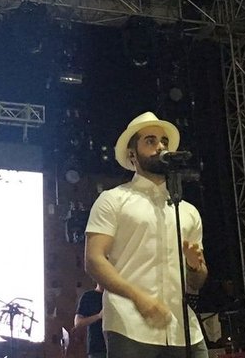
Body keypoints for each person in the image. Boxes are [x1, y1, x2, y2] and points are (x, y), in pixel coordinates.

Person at [85, 111, 209, 358]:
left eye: (164, 141)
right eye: (150, 141)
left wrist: (195, 268)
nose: (160, 146)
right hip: (130, 325)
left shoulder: (187, 211)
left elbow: (197, 282)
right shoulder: (113, 199)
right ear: (132, 154)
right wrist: (138, 297)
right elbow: (94, 260)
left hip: (182, 329)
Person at [74, 283, 107, 358]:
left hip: (116, 345)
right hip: (97, 349)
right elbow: (78, 323)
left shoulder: (116, 297)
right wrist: (99, 316)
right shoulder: (88, 296)